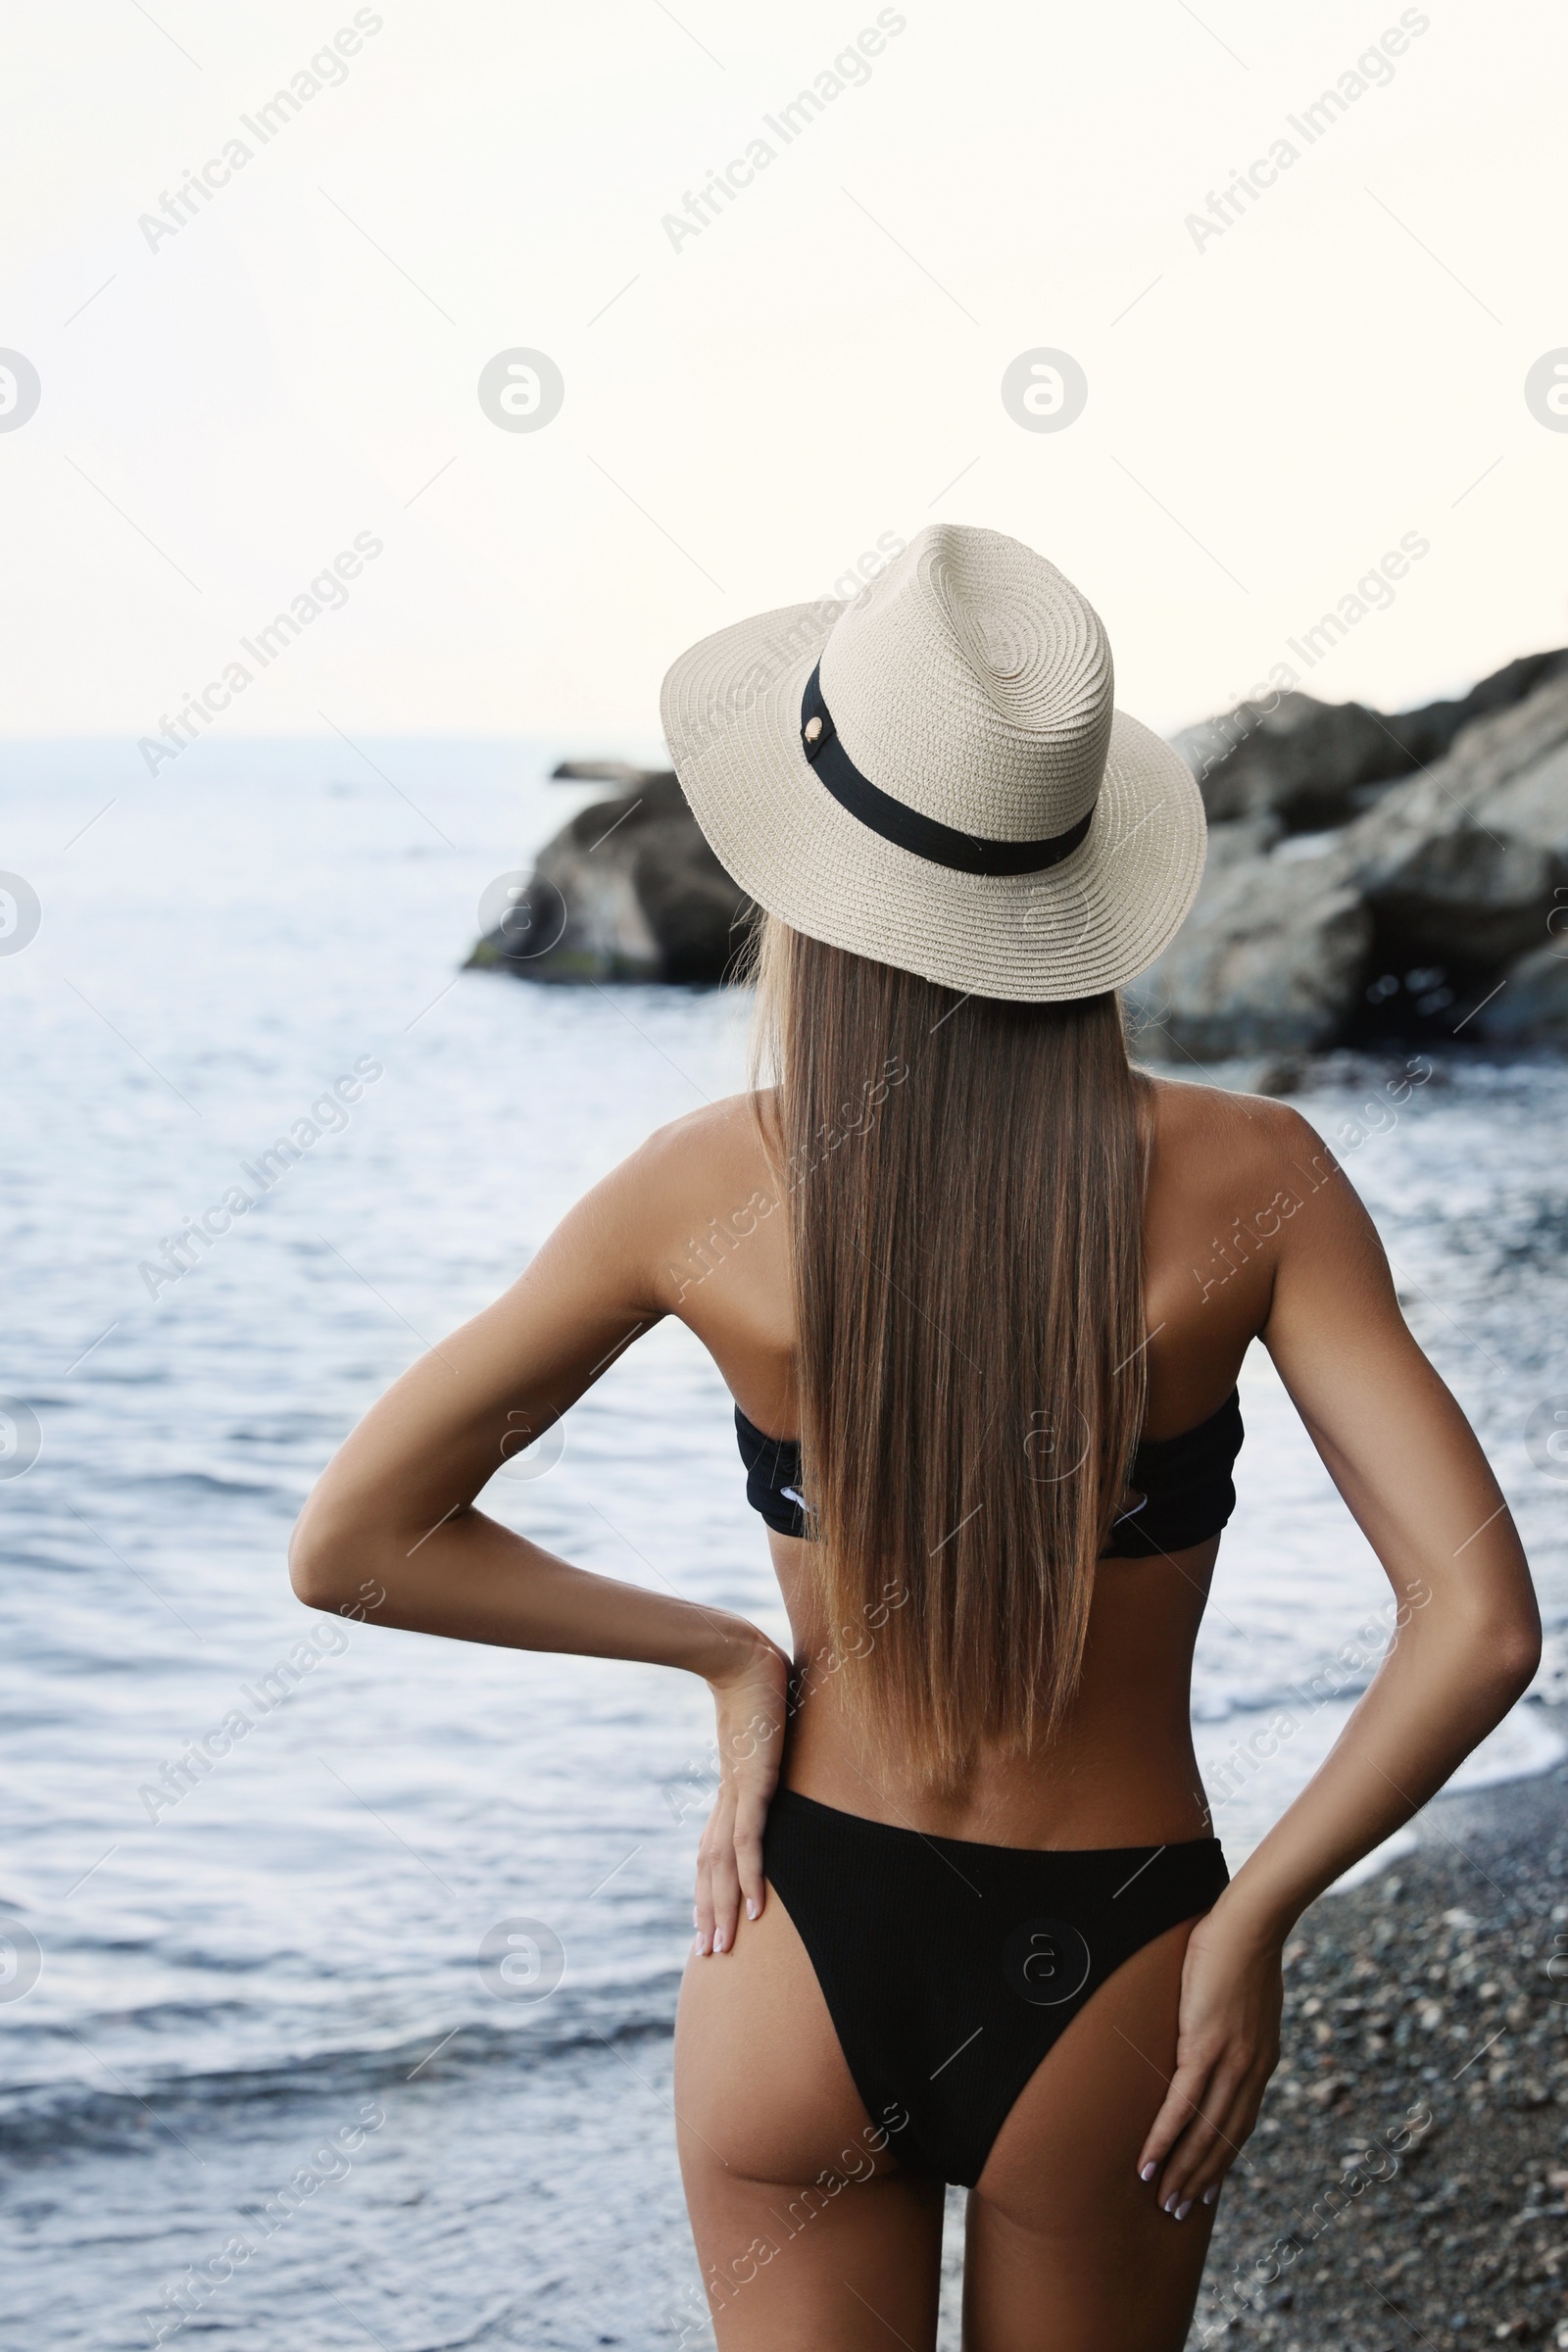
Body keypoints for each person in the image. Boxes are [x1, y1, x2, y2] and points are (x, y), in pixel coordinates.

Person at [288, 524, 1541, 2350]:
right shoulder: (1258, 1184)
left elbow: (357, 1544)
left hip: (797, 1945)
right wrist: (1258, 1921)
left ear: (811, 886)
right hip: (1126, 1964)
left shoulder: (701, 1193)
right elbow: (1481, 1624)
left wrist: (726, 1659)